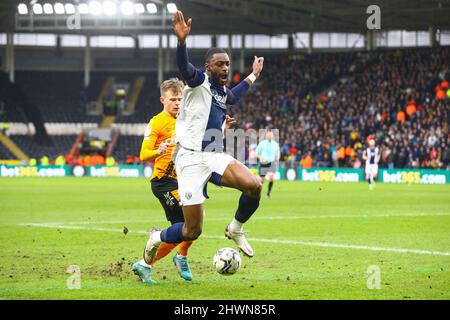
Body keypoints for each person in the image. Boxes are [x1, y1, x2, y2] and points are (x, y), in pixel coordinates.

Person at [143, 10, 264, 264]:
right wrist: (181, 42)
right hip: (189, 161)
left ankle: (235, 229)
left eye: (228, 64)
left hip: (214, 156)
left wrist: (253, 75)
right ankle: (157, 236)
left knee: (254, 185)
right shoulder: (198, 82)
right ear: (208, 67)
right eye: (220, 64)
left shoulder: (221, 92)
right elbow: (184, 67)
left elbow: (235, 95)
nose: (225, 68)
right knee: (192, 230)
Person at [132, 78, 193, 285]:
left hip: (183, 181)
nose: (177, 103)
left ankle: (154, 262)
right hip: (164, 182)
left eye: (180, 99)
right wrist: (158, 150)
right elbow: (143, 154)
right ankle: (166, 254)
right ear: (162, 100)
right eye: (173, 99)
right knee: (187, 226)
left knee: (194, 224)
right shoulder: (157, 122)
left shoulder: (186, 119)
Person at [255, 130, 280, 199]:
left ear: (273, 136)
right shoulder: (262, 144)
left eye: (271, 135)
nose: (270, 136)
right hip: (263, 163)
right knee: (262, 181)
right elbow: (256, 153)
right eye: (269, 135)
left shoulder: (275, 145)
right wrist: (261, 157)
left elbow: (278, 154)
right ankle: (257, 194)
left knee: (271, 178)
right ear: (266, 136)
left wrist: (277, 157)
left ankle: (268, 194)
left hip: (271, 163)